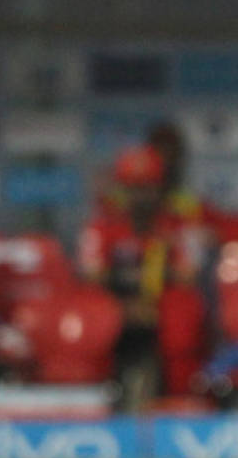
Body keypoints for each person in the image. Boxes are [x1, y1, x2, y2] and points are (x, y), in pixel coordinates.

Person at [78, 145, 212, 408]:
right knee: (89, 309)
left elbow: (188, 275)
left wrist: (151, 300)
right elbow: (92, 276)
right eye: (133, 188)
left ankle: (177, 399)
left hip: (160, 309)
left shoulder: (179, 224)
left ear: (161, 188)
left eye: (147, 188)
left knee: (182, 308)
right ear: (122, 189)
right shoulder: (103, 225)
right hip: (116, 308)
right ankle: (94, 398)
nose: (141, 197)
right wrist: (125, 306)